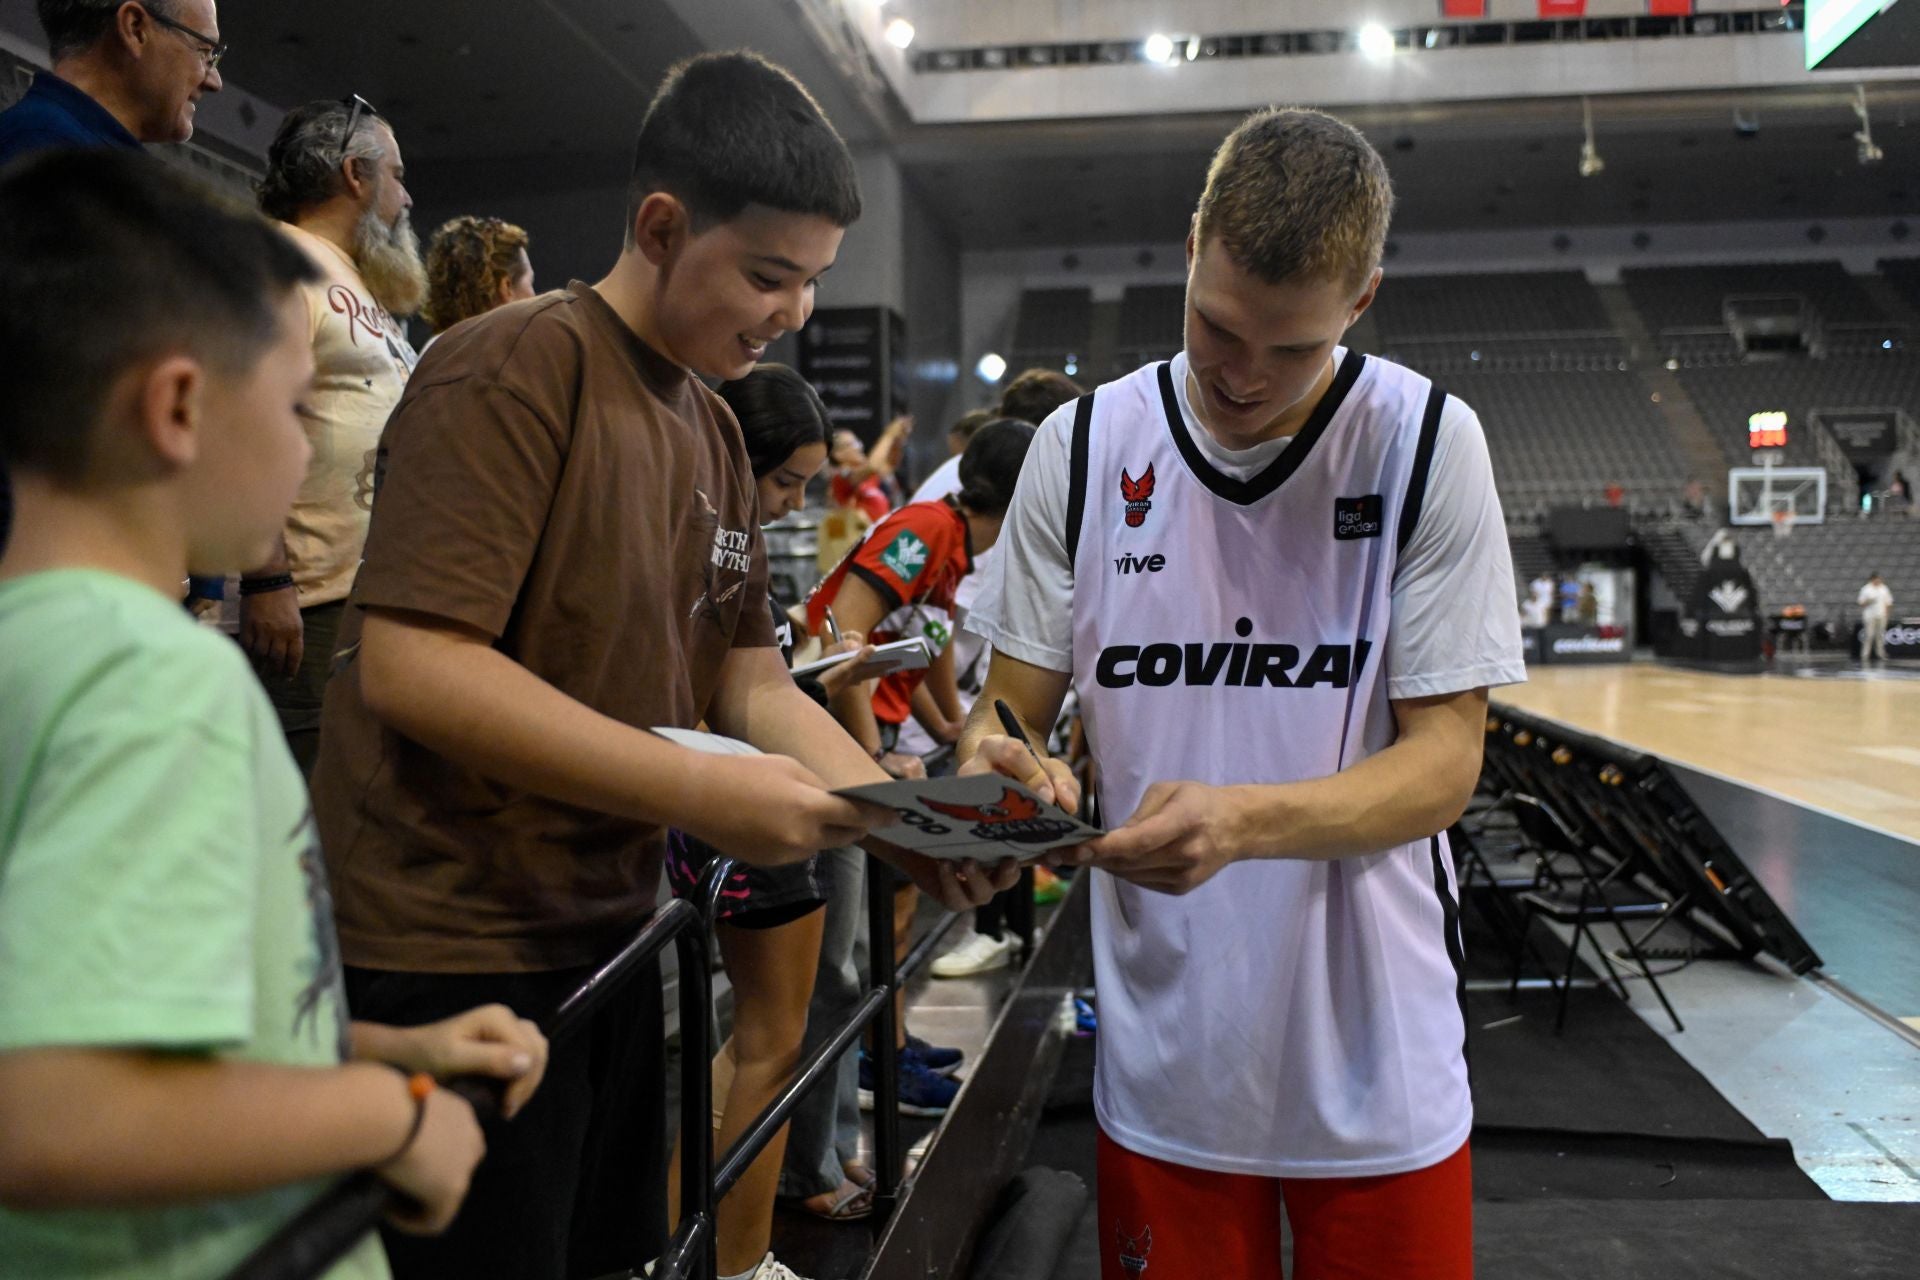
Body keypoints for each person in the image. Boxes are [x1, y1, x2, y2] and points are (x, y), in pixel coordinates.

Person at [308, 52, 1013, 1280]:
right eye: (767, 274)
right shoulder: (516, 368)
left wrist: (898, 817)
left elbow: (745, 681)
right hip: (451, 947)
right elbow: (417, 667)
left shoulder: (713, 427)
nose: (794, 311)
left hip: (611, 933)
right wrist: (699, 789)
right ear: (659, 225)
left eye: (813, 282)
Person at [961, 107, 1525, 1280]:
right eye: (1217, 327)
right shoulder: (1079, 446)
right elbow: (1002, 716)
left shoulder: (1425, 439)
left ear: (1359, 303)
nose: (1242, 375)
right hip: (1170, 1055)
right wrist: (1003, 772)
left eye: (1291, 347)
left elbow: (1445, 764)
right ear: (1188, 247)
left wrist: (1246, 819)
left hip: (1378, 1064)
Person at [0, 148, 547, 1278]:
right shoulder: (157, 680)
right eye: (297, 405)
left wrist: (395, 1045)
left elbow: (119, 1009)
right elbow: (49, 1107)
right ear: (180, 406)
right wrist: (390, 1116)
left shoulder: (38, 650)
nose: (310, 445)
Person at [660, 364, 879, 1270]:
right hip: (733, 814)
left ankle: (690, 1251)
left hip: (749, 799)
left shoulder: (728, 548)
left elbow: (762, 687)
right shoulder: (698, 541)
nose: (791, 504)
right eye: (783, 481)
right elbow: (703, 700)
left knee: (756, 1049)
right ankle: (735, 1261)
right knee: (765, 1047)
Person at [805, 418, 1037, 1106]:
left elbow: (929, 640)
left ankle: (889, 1043)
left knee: (893, 913)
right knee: (855, 940)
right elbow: (840, 632)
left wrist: (948, 727)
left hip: (877, 729)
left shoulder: (960, 545)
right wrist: (872, 754)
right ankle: (871, 1067)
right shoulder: (929, 528)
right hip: (833, 729)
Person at [0, 0, 225, 572]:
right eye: (205, 50)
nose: (215, 80)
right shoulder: (60, 170)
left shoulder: (74, 160)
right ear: (134, 27)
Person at [243, 96, 422, 774]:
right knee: (313, 816)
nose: (406, 196)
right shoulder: (280, 260)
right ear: (356, 174)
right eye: (397, 174)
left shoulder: (350, 277)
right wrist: (268, 581)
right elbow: (249, 417)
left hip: (360, 594)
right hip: (305, 606)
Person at [906, 374, 1085, 977]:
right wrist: (945, 718)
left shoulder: (994, 508)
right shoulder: (937, 522)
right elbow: (912, 629)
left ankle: (1003, 928)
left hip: (961, 687)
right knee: (895, 911)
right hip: (917, 710)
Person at [422, 214, 536, 338]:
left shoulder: (431, 352)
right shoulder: (506, 353)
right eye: (530, 282)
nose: (535, 296)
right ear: (506, 287)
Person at [829, 418, 910, 522]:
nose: (859, 447)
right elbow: (872, 466)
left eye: (858, 442)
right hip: (862, 535)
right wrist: (889, 435)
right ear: (838, 455)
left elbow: (890, 464)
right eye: (853, 444)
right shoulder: (840, 477)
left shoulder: (868, 477)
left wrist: (898, 439)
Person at [1859, 572, 1894, 663]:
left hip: (1881, 615)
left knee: (1880, 635)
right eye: (1877, 579)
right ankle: (1865, 655)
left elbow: (1888, 602)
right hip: (1869, 616)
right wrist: (1869, 601)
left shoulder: (1884, 588)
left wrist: (1887, 613)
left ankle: (1881, 654)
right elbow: (1861, 603)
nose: (1879, 580)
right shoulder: (1866, 589)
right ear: (1872, 579)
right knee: (1869, 635)